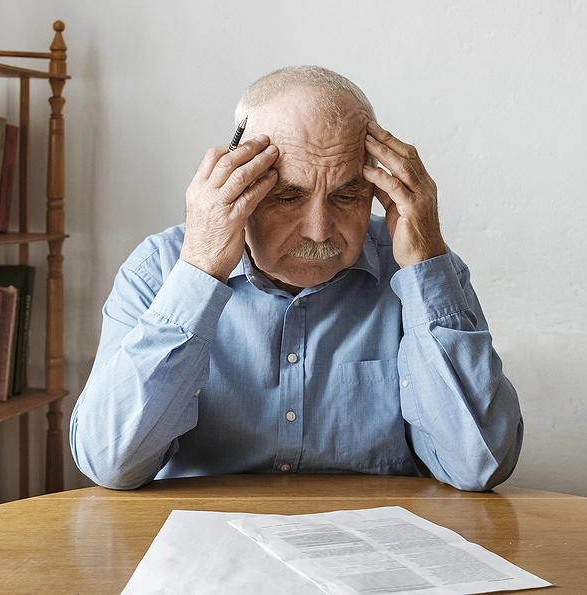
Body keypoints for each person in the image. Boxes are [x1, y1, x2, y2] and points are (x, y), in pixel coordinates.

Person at [70, 65, 523, 492]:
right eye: (288, 196)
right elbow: (112, 462)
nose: (319, 229)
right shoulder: (159, 270)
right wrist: (200, 272)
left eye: (347, 195)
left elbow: (478, 464)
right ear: (237, 182)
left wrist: (426, 272)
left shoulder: (423, 270)